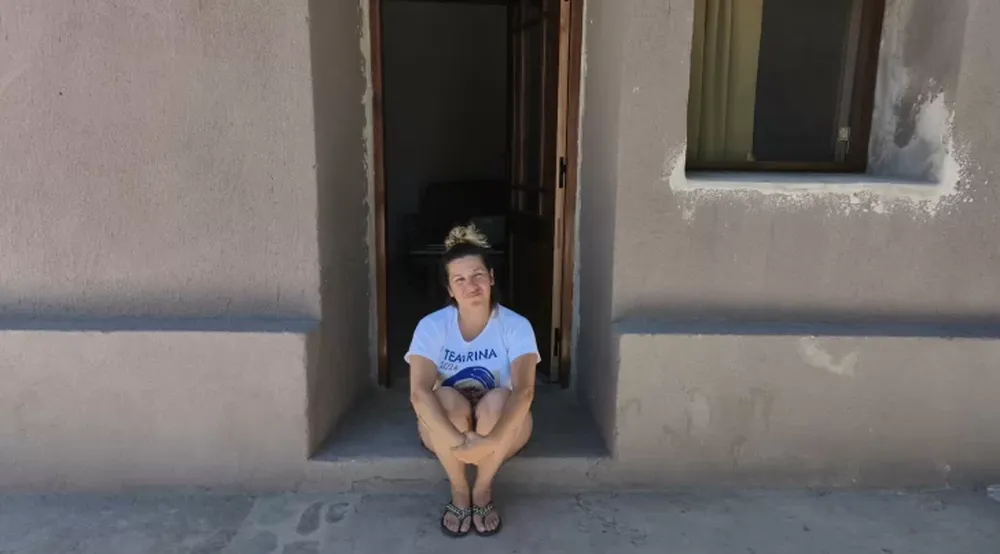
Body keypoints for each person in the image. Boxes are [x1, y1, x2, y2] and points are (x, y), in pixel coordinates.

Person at [406, 224, 539, 537]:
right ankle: (459, 491)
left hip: (504, 429)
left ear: (491, 277)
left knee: (497, 401)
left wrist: (490, 442)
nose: (471, 285)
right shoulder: (432, 326)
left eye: (478, 275)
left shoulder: (516, 326)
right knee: (446, 398)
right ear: (450, 290)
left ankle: (481, 489)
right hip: (448, 429)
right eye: (460, 279)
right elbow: (418, 394)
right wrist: (458, 443)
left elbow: (524, 391)